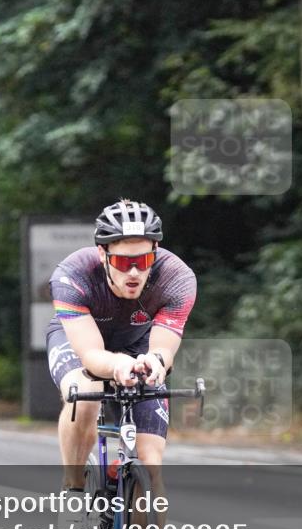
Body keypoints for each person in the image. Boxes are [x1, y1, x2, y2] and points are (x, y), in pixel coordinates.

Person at [47, 198, 197, 502]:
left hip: (137, 344)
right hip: (77, 339)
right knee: (85, 394)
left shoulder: (177, 279)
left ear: (155, 254)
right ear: (103, 254)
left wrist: (156, 362)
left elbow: (163, 348)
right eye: (122, 262)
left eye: (142, 261)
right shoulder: (72, 275)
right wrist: (117, 367)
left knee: (150, 467)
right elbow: (90, 355)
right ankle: (73, 489)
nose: (133, 273)